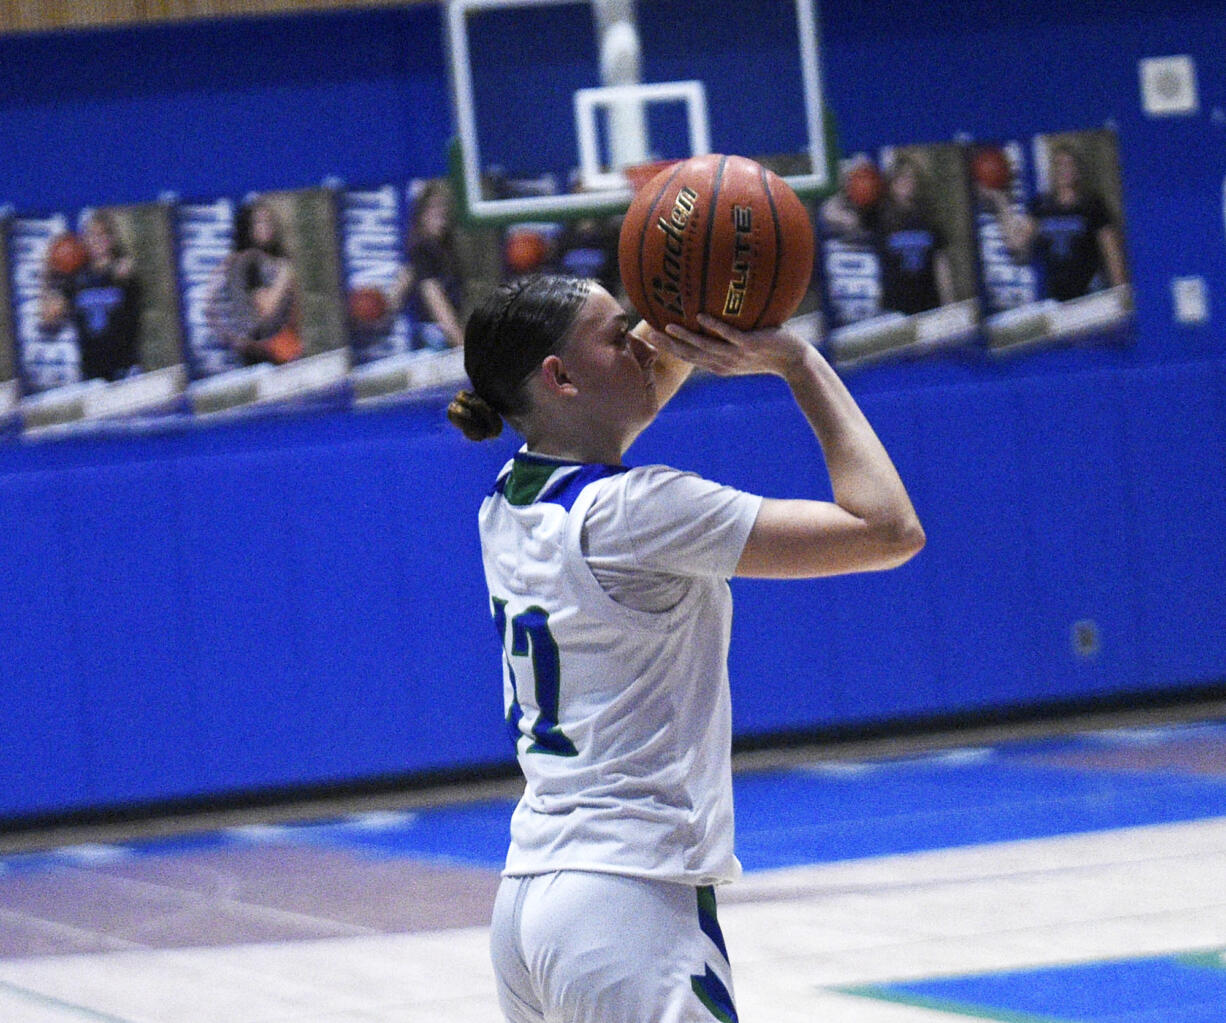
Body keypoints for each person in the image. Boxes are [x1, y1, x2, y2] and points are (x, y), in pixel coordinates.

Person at [447, 274, 925, 1023]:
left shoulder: (510, 496)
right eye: (618, 334)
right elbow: (889, 530)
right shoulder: (641, 513)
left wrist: (690, 321)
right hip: (627, 904)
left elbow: (612, 408)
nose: (643, 343)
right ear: (560, 376)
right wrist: (799, 362)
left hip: (531, 903)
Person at [980, 142, 1128, 302]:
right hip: (1059, 300)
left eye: (1069, 164)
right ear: (1053, 169)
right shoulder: (1042, 207)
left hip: (1092, 293)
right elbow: (1017, 245)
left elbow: (1112, 252)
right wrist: (1000, 199)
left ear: (1077, 170)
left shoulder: (1092, 205)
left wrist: (1121, 293)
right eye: (1059, 164)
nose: (1064, 169)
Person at [821, 155, 955, 317]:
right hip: (892, 309)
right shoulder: (878, 216)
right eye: (901, 179)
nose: (907, 184)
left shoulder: (927, 219)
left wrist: (949, 303)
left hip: (928, 304)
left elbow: (941, 264)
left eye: (910, 178)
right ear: (891, 183)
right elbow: (832, 211)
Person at [39, 210, 143, 382]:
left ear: (112, 238)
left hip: (127, 370)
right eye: (92, 235)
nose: (97, 241)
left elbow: (127, 271)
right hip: (92, 374)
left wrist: (120, 270)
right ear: (84, 240)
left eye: (103, 235)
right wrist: (48, 275)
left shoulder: (123, 271)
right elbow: (49, 320)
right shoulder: (75, 279)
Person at [205, 198, 302, 365]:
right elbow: (266, 310)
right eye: (259, 222)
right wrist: (284, 276)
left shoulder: (275, 259)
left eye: (268, 220)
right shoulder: (246, 264)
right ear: (248, 227)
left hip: (289, 350)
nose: (266, 227)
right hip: (263, 357)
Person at [394, 180, 465, 350]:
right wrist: (461, 344)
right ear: (421, 214)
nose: (441, 213)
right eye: (434, 208)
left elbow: (400, 287)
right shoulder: (423, 251)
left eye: (444, 207)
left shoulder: (439, 250)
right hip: (434, 339)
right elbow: (435, 299)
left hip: (443, 335)